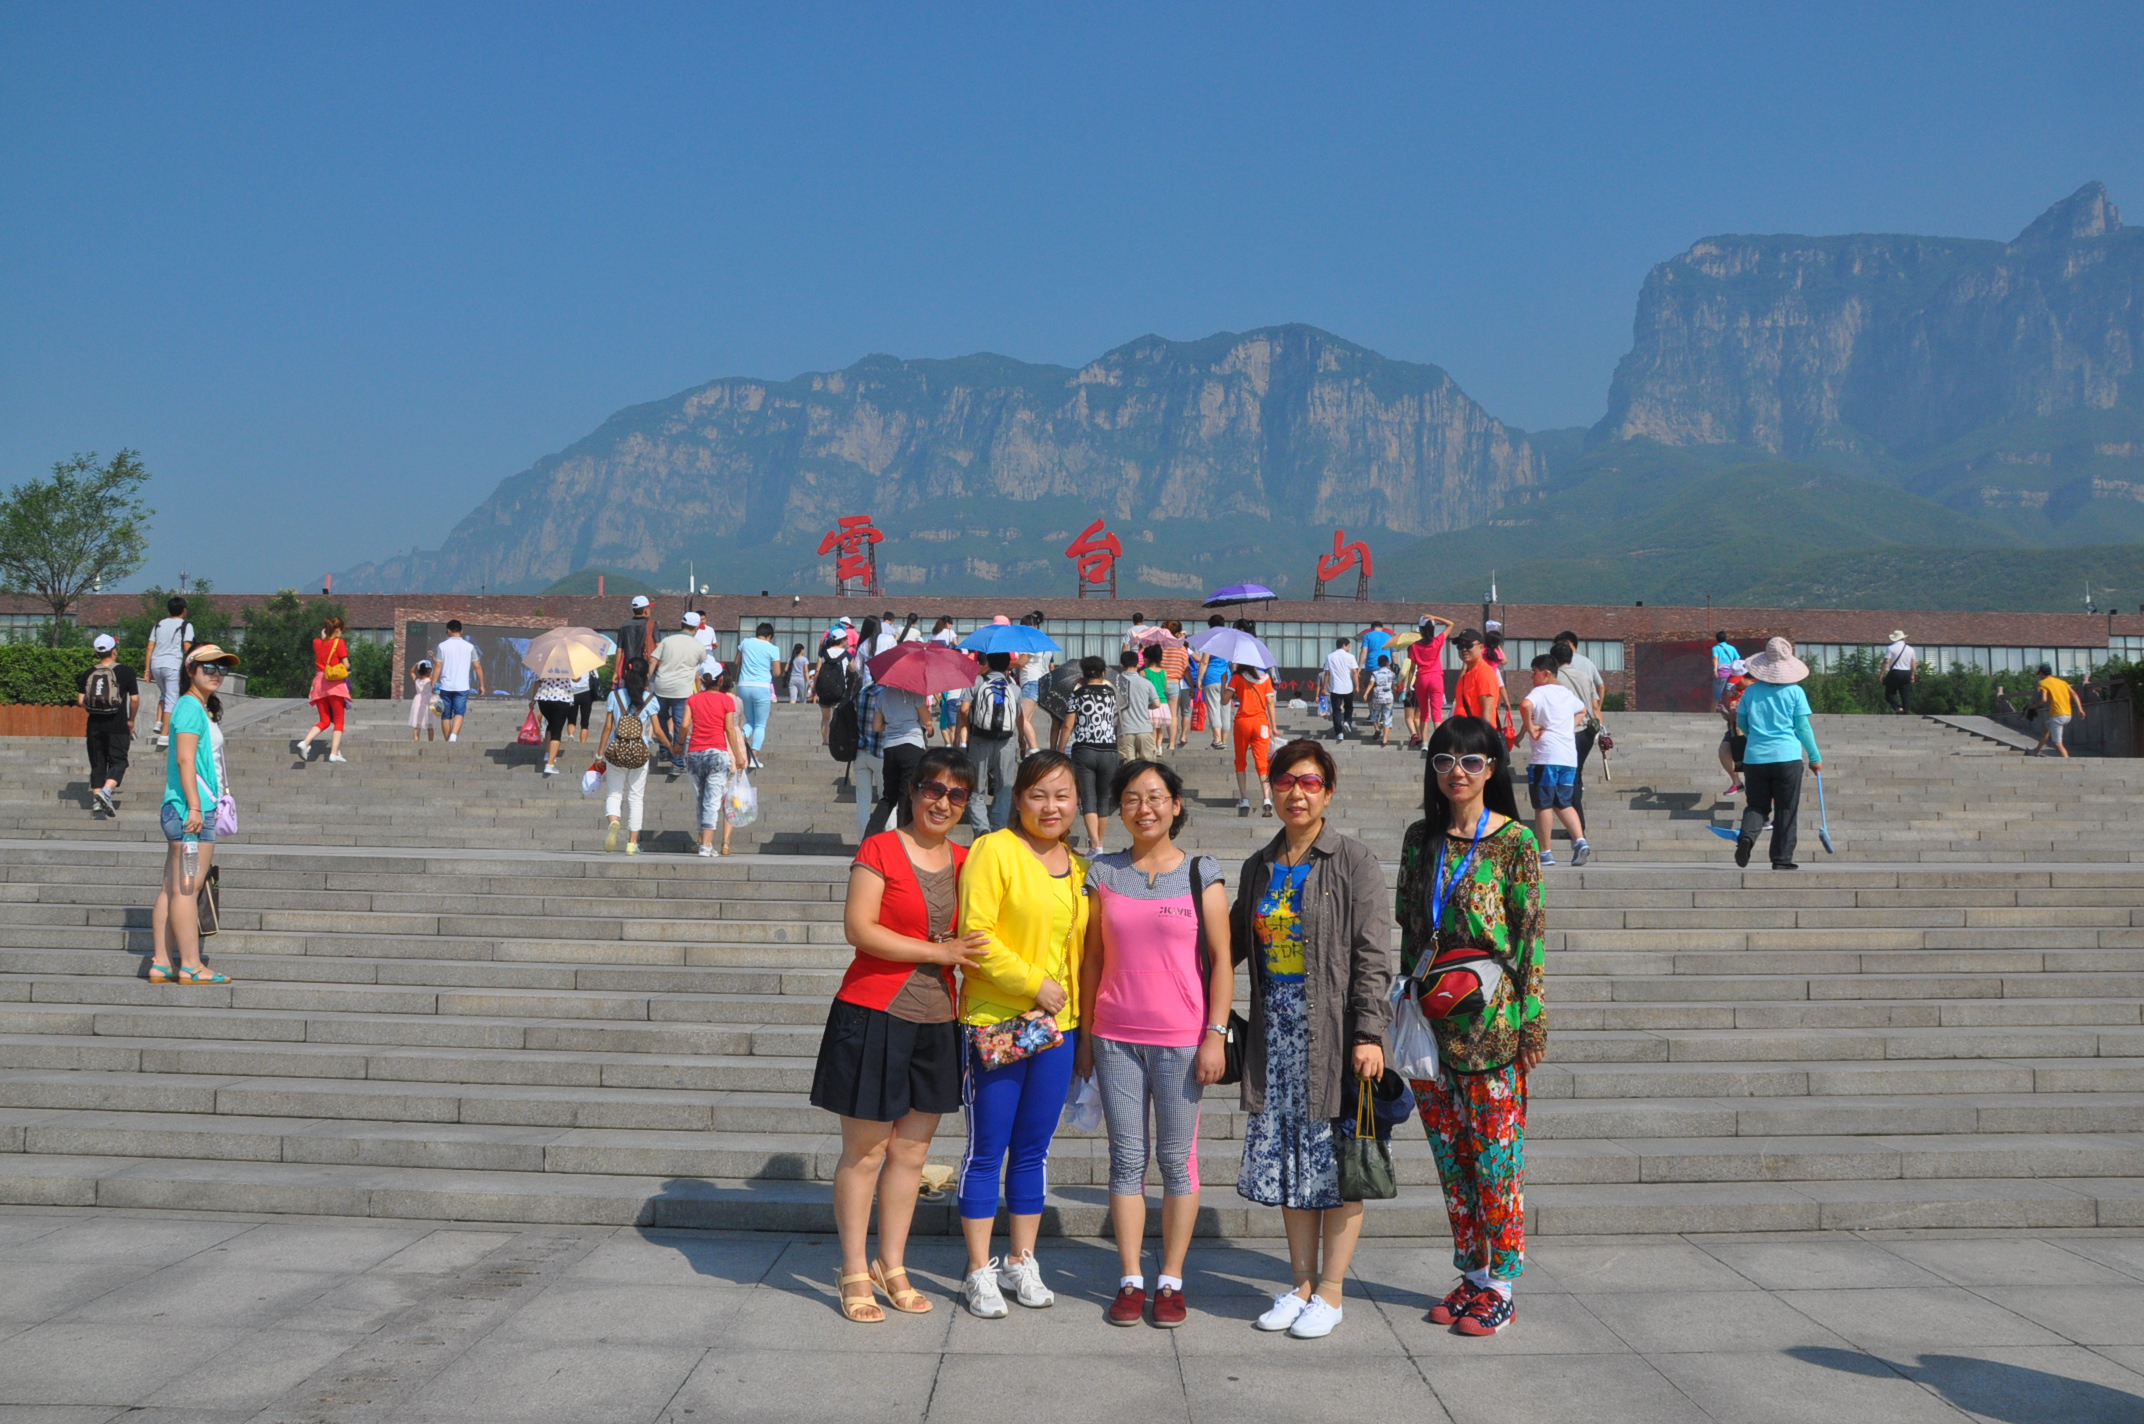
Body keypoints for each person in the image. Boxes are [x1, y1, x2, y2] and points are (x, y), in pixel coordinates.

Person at [813, 747, 990, 1323]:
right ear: (913, 791)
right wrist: (939, 952)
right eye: (933, 789)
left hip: (938, 1019)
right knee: (866, 1152)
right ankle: (853, 1267)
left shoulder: (969, 861)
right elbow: (859, 928)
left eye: (957, 794)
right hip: (873, 1012)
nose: (943, 802)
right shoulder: (880, 849)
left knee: (912, 1153)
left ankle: (892, 1263)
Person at [1231, 739, 1392, 1340]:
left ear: (1328, 791)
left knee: (1338, 1161)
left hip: (1335, 1034)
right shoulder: (1259, 865)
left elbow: (1373, 953)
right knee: (1291, 1161)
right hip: (1275, 1032)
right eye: (1284, 782)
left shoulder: (1353, 861)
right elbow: (1229, 943)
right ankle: (1300, 1284)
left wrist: (1369, 1031)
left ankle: (1331, 1291)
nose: (1296, 793)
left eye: (1309, 782)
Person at [1396, 715, 1547, 1337]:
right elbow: (1408, 927)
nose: (1456, 772)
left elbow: (1531, 938)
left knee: (1495, 1158)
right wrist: (1401, 1011)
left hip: (1493, 1023)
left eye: (1471, 761)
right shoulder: (1420, 838)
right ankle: (1474, 1272)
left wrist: (1533, 1023)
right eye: (1444, 760)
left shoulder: (1514, 841)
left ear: (1492, 770)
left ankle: (1503, 1284)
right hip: (1431, 1024)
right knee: (1451, 1158)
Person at [1074, 760, 1232, 1328]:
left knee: (1176, 1160)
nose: (1145, 809)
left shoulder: (1202, 872)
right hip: (1115, 1037)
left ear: (1176, 805)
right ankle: (1129, 1278)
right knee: (1126, 1160)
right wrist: (1086, 1039)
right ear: (1119, 809)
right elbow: (1092, 959)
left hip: (1183, 1041)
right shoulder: (1102, 872)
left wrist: (1215, 1035)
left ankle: (1170, 1279)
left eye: (1156, 797)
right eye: (1133, 799)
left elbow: (1222, 962)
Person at [956, 750, 1089, 1319]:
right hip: (998, 1023)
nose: (1050, 807)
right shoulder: (994, 850)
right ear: (1018, 799)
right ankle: (978, 1269)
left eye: (1062, 795)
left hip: (1058, 1030)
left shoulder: (1079, 867)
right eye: (1038, 795)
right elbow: (976, 937)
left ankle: (1021, 1259)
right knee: (987, 1148)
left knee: (1034, 1149)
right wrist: (1035, 983)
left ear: (1077, 802)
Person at [151, 646, 240, 986]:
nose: (216, 674)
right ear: (190, 670)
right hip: (192, 812)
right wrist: (196, 807)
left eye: (222, 669)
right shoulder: (189, 707)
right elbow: (185, 759)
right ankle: (190, 965)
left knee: (171, 887)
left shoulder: (198, 707)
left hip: (186, 809)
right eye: (208, 668)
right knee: (188, 887)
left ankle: (161, 962)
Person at [1734, 638, 1823, 869]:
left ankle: (1746, 837)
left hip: (1755, 758)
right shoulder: (1795, 692)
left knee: (1756, 806)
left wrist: (1756, 736)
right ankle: (1782, 859)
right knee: (1786, 808)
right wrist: (1815, 758)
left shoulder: (1751, 691)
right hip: (1787, 757)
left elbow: (1741, 721)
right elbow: (1803, 727)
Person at [1521, 654, 1590, 866]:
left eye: (1534, 673)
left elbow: (1525, 705)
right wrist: (1568, 726)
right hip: (1568, 758)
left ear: (1545, 673)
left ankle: (1545, 852)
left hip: (1546, 757)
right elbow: (1583, 709)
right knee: (1564, 802)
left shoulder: (1540, 692)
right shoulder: (1566, 694)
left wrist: (1531, 729)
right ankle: (1580, 840)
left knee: (1543, 805)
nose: (1532, 677)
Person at [598, 656, 666, 855]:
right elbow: (657, 730)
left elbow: (608, 727)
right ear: (646, 676)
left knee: (614, 792)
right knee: (636, 797)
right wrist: (672, 746)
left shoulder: (615, 696)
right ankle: (632, 843)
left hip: (616, 749)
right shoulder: (650, 699)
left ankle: (614, 822)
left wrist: (599, 754)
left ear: (627, 672)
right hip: (639, 751)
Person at [960, 651, 1031, 834]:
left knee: (977, 789)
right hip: (1006, 742)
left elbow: (964, 709)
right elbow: (1019, 716)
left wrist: (968, 729)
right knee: (1004, 788)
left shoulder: (976, 681)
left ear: (988, 663)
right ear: (1008, 665)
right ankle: (998, 830)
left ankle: (982, 831)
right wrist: (1021, 738)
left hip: (980, 739)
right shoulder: (1014, 687)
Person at [1056, 656, 1121, 856]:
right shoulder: (1111, 694)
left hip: (1084, 750)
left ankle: (1095, 844)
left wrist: (1060, 750)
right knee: (1103, 799)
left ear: (1082, 674)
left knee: (1088, 798)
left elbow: (1068, 725)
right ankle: (1099, 844)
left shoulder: (1077, 694)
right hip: (1108, 750)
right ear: (1103, 673)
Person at [679, 668, 746, 856]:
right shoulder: (727, 700)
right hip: (717, 753)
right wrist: (738, 756)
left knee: (700, 799)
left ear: (701, 679)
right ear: (721, 679)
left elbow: (684, 725)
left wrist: (678, 744)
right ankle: (706, 845)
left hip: (694, 753)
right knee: (712, 801)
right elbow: (730, 730)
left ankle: (702, 840)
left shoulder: (693, 699)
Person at [863, 665, 931, 839]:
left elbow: (877, 726)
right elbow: (927, 722)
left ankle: (868, 837)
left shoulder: (882, 695)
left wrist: (893, 725)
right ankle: (903, 840)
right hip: (912, 746)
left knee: (888, 797)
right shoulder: (914, 693)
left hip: (890, 748)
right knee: (906, 796)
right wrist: (927, 726)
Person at [77, 634, 138, 817]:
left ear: (96, 653)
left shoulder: (88, 672)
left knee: (98, 763)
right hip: (118, 724)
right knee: (119, 761)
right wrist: (131, 720)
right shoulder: (126, 671)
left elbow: (80, 701)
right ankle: (106, 791)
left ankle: (97, 802)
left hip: (94, 725)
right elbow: (135, 700)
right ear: (114, 651)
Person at [1550, 633, 1604, 820]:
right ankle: (1577, 823)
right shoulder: (1584, 676)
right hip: (1587, 732)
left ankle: (1577, 824)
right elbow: (1595, 706)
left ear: (1553, 659)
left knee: (1568, 777)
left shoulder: (1555, 678)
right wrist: (1602, 733)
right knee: (1576, 773)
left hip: (1568, 732)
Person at [294, 615, 354, 763]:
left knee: (325, 720)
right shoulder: (339, 643)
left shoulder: (316, 642)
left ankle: (305, 742)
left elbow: (323, 644)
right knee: (339, 721)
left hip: (319, 683)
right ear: (338, 630)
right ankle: (333, 753)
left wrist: (324, 637)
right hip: (334, 684)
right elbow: (346, 665)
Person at [650, 615, 706, 769]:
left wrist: (646, 680)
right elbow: (703, 666)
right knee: (680, 723)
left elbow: (653, 660)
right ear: (696, 628)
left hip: (661, 686)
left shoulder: (667, 641)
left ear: (681, 624)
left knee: (661, 719)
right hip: (683, 690)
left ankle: (664, 749)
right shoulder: (698, 646)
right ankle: (678, 760)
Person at [1227, 658, 1277, 816]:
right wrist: (1274, 726)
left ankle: (1244, 798)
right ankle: (1267, 798)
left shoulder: (1236, 677)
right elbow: (1270, 703)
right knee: (1262, 762)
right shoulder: (1265, 678)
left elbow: (1224, 700)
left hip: (1242, 722)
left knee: (1240, 760)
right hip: (1261, 723)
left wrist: (1223, 682)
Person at [143, 595, 194, 750]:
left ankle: (159, 722)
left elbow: (150, 647)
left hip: (156, 664)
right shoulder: (186, 625)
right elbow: (187, 647)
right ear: (184, 610)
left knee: (165, 694)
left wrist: (147, 669)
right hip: (173, 664)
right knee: (172, 698)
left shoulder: (159, 624)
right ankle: (164, 735)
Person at [734, 621, 780, 771]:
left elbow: (736, 661)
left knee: (750, 721)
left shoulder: (745, 642)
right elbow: (777, 672)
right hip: (761, 687)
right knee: (760, 724)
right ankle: (753, 757)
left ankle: (739, 741)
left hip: (743, 685)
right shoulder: (773, 648)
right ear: (770, 636)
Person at [1406, 614, 1454, 747]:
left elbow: (1412, 668)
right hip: (1436, 678)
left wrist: (1409, 686)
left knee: (1424, 713)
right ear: (1433, 629)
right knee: (1437, 713)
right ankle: (1439, 744)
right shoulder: (1438, 641)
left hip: (1421, 679)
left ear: (1420, 630)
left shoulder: (1414, 646)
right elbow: (1451, 624)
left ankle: (1425, 743)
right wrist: (1435, 617)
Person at [433, 620, 483, 742]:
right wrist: (482, 684)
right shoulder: (469, 647)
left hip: (445, 686)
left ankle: (448, 741)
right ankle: (453, 737)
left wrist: (434, 683)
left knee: (445, 715)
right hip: (462, 686)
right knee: (459, 713)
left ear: (449, 631)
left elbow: (438, 666)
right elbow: (477, 666)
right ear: (461, 631)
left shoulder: (442, 646)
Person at [852, 676, 888, 845]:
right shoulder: (887, 695)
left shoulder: (861, 693)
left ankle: (864, 842)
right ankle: (887, 841)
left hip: (861, 752)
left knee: (863, 801)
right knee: (887, 800)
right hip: (881, 752)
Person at [529, 661, 577, 777]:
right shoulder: (568, 662)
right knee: (557, 730)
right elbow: (576, 679)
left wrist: (533, 700)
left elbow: (538, 682)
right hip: (561, 698)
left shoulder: (545, 662)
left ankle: (547, 753)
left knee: (551, 724)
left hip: (544, 698)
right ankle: (550, 764)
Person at [1450, 629, 1503, 731]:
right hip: (1463, 733)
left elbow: (1488, 709)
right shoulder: (1467, 673)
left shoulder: (1484, 672)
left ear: (1481, 647)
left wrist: (1484, 736)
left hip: (1476, 734)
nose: (1464, 649)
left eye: (1469, 645)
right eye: (1460, 646)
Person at [1114, 650, 1161, 763]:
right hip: (1144, 729)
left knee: (1128, 767)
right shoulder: (1147, 683)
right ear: (1138, 664)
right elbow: (1157, 704)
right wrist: (1146, 706)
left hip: (1125, 731)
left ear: (1122, 665)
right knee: (1148, 766)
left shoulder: (1116, 683)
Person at [1716, 658, 1752, 797]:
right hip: (1735, 727)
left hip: (1751, 729)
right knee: (1724, 750)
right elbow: (1732, 714)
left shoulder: (1756, 690)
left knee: (1750, 760)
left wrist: (1737, 713)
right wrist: (1726, 713)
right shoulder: (1733, 690)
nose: (1736, 683)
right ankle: (1736, 782)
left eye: (1739, 680)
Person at [2032, 664, 2084, 758]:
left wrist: (2034, 705)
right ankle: (2036, 750)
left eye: (2039, 674)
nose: (2039, 676)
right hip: (2068, 714)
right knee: (2046, 728)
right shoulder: (2062, 682)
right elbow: (2074, 694)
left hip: (2057, 715)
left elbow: (2043, 699)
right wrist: (2080, 709)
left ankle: (2068, 762)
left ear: (2042, 673)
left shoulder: (2043, 683)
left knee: (2057, 743)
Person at [1196, 615, 1231, 750]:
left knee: (1214, 709)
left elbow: (1204, 661)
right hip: (1227, 678)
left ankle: (1217, 741)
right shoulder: (1229, 641)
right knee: (1225, 711)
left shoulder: (1210, 641)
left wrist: (1199, 678)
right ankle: (1224, 741)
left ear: (1210, 626)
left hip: (1212, 678)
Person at [1159, 623, 1191, 750]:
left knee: (1157, 712)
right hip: (1174, 684)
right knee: (1173, 715)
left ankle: (1157, 742)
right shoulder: (1181, 649)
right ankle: (1172, 744)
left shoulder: (1160, 647)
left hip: (1159, 682)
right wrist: (1192, 685)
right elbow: (1186, 670)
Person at [1322, 637, 1360, 741]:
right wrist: (1357, 686)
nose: (1349, 648)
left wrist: (1324, 687)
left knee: (1336, 710)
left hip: (1335, 687)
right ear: (1344, 645)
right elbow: (1355, 672)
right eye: (1348, 646)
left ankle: (1339, 733)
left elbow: (1327, 673)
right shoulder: (1350, 657)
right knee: (1349, 707)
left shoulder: (1330, 656)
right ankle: (1347, 722)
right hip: (1348, 687)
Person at [1882, 630, 1918, 714]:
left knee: (1889, 694)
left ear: (1895, 639)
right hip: (1906, 673)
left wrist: (1882, 674)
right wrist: (1912, 674)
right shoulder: (1911, 649)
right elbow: (1913, 663)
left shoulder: (1891, 648)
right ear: (1903, 638)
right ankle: (1906, 712)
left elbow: (1886, 662)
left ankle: (1898, 707)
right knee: (1905, 695)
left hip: (1895, 672)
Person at [1367, 653, 1398, 747]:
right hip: (1388, 698)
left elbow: (1371, 684)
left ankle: (1377, 728)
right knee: (1387, 718)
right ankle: (1384, 740)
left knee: (1374, 715)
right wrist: (1395, 690)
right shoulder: (1392, 674)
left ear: (1378, 663)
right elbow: (1395, 686)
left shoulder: (1375, 673)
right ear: (1388, 663)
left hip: (1377, 698)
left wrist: (1366, 694)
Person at [1711, 630, 1741, 710]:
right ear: (1726, 638)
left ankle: (1712, 713)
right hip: (1731, 675)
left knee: (1717, 695)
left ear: (1717, 639)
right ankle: (1732, 711)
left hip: (1721, 674)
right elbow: (1737, 659)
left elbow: (1715, 658)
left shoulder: (1716, 648)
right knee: (1731, 694)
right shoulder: (1732, 648)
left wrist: (1715, 670)